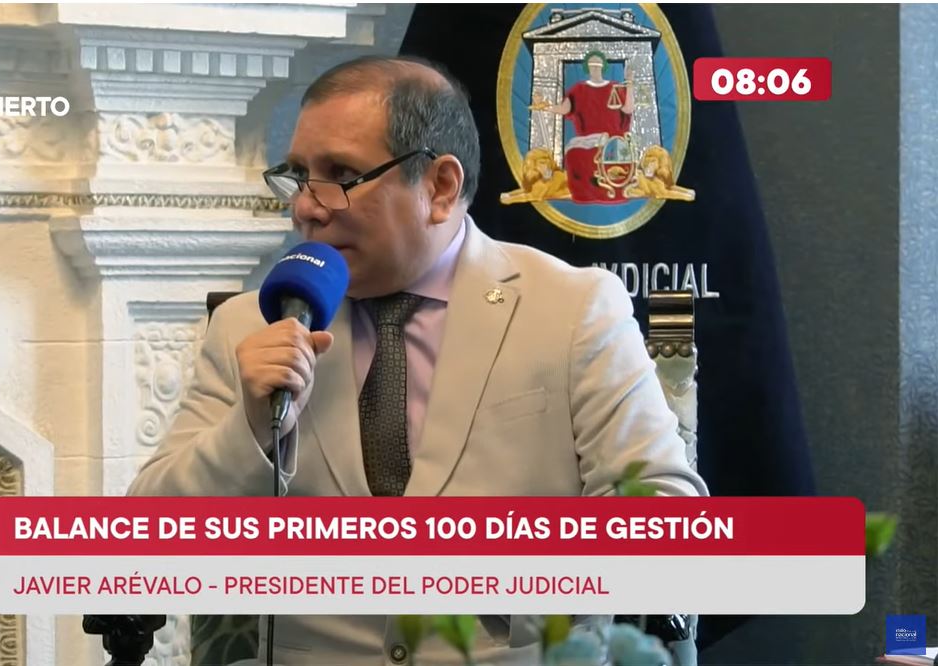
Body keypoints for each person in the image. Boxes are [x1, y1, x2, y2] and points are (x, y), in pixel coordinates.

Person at [129, 55, 707, 665]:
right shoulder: (252, 325)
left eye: (340, 174)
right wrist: (246, 430)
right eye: (298, 175)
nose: (305, 207)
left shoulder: (572, 308)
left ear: (440, 187)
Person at [530, 50, 635, 203]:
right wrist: (545, 107)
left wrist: (629, 83)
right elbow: (564, 108)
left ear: (603, 67)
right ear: (587, 68)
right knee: (574, 155)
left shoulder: (615, 87)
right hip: (587, 140)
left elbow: (628, 109)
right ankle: (585, 195)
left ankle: (611, 193)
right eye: (592, 66)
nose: (595, 68)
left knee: (607, 158)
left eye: (598, 65)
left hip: (611, 141)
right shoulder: (578, 89)